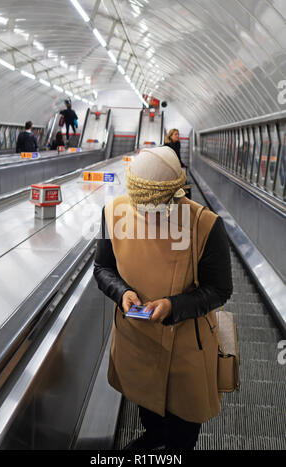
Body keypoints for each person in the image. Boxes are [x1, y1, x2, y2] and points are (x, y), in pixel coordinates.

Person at [94, 146, 233, 450]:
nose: (144, 213)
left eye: (154, 207)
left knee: (184, 425)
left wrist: (174, 306)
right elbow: (102, 267)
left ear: (176, 194)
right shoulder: (114, 213)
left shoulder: (204, 225)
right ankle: (154, 436)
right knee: (147, 405)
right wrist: (122, 293)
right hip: (137, 338)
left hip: (187, 346)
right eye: (139, 206)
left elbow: (221, 289)